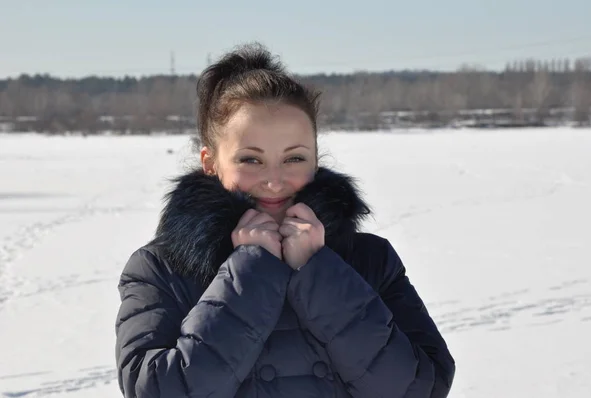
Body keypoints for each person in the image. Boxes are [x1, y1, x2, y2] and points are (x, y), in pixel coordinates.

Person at [114, 42, 455, 398]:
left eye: (293, 159)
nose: (274, 181)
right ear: (210, 162)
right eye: (251, 159)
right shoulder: (160, 270)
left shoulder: (369, 259)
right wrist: (250, 273)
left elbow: (423, 387)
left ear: (315, 158)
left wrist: (319, 273)